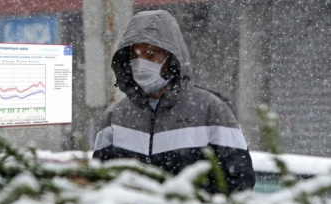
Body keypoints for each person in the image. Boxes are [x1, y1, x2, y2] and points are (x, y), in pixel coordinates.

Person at [92, 10, 255, 194]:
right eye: (134, 55)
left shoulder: (211, 110)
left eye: (151, 54)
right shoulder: (115, 117)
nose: (141, 63)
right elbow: (100, 183)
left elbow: (239, 181)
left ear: (171, 59)